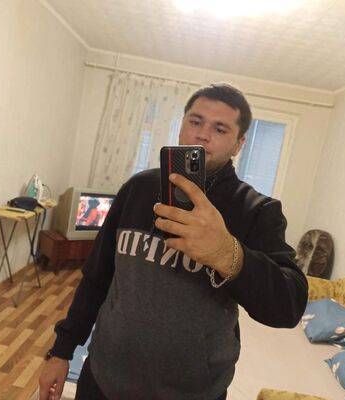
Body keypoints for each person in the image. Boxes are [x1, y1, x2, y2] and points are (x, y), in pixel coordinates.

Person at [39, 83, 308, 400]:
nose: (202, 135)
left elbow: (289, 306)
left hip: (193, 392)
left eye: (220, 129)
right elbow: (97, 277)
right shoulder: (137, 188)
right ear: (182, 125)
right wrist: (62, 351)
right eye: (195, 121)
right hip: (102, 378)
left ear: (239, 144)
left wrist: (227, 253)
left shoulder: (256, 210)